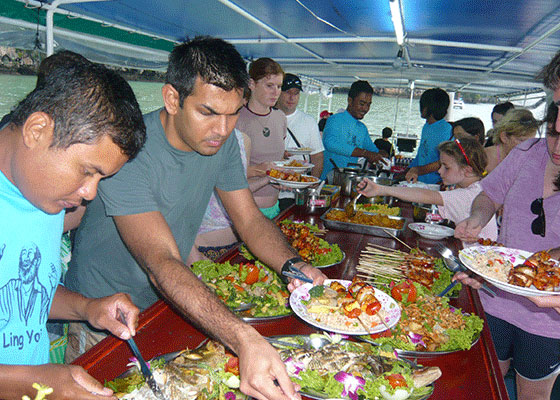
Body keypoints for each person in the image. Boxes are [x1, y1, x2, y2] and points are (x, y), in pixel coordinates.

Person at [64, 37, 326, 400]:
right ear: (172, 99)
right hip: (102, 312)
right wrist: (244, 338)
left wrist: (294, 266)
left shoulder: (220, 144)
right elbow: (161, 261)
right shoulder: (129, 150)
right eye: (208, 112)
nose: (223, 128)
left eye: (233, 112)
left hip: (166, 303)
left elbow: (248, 219)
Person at [0, 58, 145, 399]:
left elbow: (29, 292)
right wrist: (35, 384)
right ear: (37, 130)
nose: (90, 193)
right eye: (87, 171)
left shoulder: (43, 192)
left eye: (100, 179)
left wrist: (88, 308)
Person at [454, 101, 560, 400]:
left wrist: (546, 259)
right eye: (553, 133)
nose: (557, 147)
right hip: (496, 295)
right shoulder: (527, 152)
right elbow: (488, 195)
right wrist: (476, 219)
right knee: (484, 381)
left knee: (533, 395)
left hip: (550, 313)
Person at [359, 138, 497, 243]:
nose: (439, 171)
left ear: (467, 171)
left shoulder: (468, 194)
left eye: (446, 167)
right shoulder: (476, 187)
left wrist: (381, 189)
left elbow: (424, 195)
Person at [235, 57, 287, 219]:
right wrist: (263, 172)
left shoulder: (280, 118)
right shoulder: (236, 120)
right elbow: (227, 175)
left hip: (275, 208)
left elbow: (275, 158)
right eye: (269, 85)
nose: (276, 92)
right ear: (251, 84)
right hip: (246, 210)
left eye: (279, 86)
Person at [275, 73, 324, 211]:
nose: (292, 97)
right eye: (288, 92)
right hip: (269, 192)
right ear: (278, 92)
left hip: (295, 194)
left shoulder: (309, 122)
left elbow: (318, 156)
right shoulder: (266, 118)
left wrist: (312, 184)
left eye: (296, 93)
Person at [320, 80, 385, 181]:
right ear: (350, 101)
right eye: (362, 103)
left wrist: (382, 155)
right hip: (328, 181)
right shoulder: (335, 119)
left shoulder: (362, 128)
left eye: (368, 104)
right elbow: (330, 143)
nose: (365, 109)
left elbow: (372, 150)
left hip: (350, 180)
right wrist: (365, 153)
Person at [405, 88, 452, 184]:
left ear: (428, 107)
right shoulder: (426, 127)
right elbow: (421, 153)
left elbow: (444, 161)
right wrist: (409, 169)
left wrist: (417, 170)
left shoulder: (446, 129)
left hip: (435, 184)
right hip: (420, 181)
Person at [484, 108, 539, 173]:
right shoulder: (482, 159)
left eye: (532, 141)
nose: (529, 147)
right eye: (522, 141)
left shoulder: (531, 161)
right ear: (504, 137)